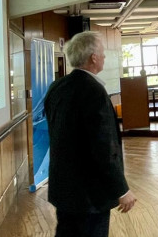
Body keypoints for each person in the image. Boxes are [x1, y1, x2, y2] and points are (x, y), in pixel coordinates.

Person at [44, 31, 136, 237]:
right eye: (102, 52)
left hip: (64, 191)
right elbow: (103, 147)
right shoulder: (94, 91)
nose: (104, 56)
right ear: (93, 57)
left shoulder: (56, 87)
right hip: (90, 196)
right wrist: (121, 189)